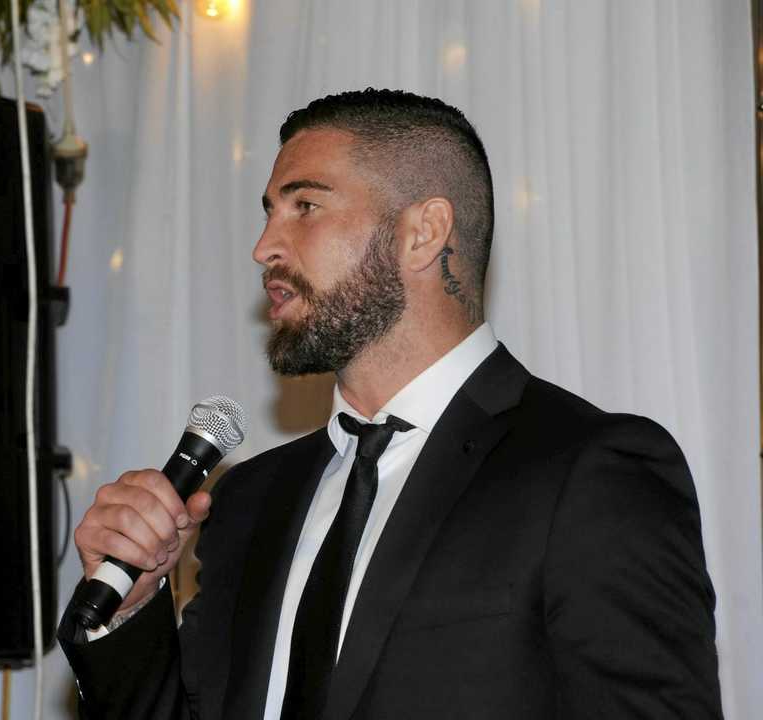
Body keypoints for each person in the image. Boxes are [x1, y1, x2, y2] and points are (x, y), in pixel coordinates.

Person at [57, 89, 722, 719]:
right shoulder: (251, 499)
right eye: (269, 211)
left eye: (305, 207)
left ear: (423, 232)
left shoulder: (589, 471)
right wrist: (131, 610)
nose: (265, 248)